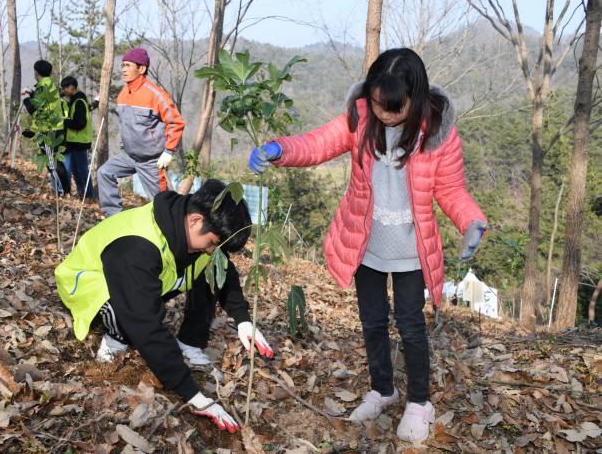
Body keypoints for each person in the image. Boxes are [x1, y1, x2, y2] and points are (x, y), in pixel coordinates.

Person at [248, 48, 487, 442]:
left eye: (393, 107)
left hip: (412, 250)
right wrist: (280, 150)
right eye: (378, 104)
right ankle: (382, 388)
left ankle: (419, 402)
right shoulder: (360, 115)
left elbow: (451, 189)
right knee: (373, 321)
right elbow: (318, 144)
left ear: (416, 95)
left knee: (411, 327)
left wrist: (471, 220)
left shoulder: (438, 130)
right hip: (365, 243)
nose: (384, 114)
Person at [55, 179, 273, 433]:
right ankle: (114, 340)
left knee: (208, 268)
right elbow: (146, 326)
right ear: (195, 220)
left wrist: (243, 320)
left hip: (138, 279)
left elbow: (224, 270)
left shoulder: (190, 228)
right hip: (89, 282)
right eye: (213, 242)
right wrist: (194, 396)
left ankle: (190, 343)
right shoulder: (138, 247)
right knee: (127, 314)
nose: (213, 250)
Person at [97, 47, 185, 216]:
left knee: (161, 205)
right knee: (104, 172)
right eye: (122, 65)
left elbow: (176, 122)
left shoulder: (156, 95)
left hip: (152, 161)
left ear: (142, 69)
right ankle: (113, 218)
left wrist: (168, 151)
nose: (123, 69)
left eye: (128, 65)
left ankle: (169, 235)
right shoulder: (123, 94)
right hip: (129, 156)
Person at [20, 59, 69, 195]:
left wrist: (26, 100)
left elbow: (36, 110)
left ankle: (62, 193)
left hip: (48, 132)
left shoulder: (42, 87)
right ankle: (65, 191)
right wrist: (31, 94)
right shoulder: (50, 85)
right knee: (57, 162)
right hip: (58, 129)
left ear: (36, 72)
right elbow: (45, 103)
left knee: (52, 164)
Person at [60, 76, 94, 199]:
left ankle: (89, 195)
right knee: (76, 170)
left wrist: (65, 122)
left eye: (64, 88)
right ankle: (82, 194)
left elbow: (80, 123)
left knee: (82, 170)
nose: (63, 91)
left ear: (71, 87)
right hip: (74, 142)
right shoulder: (75, 100)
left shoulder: (79, 102)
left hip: (80, 142)